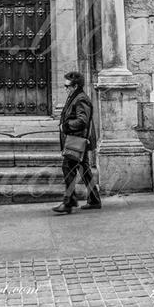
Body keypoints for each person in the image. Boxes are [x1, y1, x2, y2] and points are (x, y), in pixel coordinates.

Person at [52, 71, 102, 214]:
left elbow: (82, 121)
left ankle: (69, 201)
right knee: (85, 170)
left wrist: (65, 126)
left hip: (77, 141)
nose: (65, 88)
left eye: (67, 85)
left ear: (75, 86)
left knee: (68, 168)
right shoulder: (74, 97)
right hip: (77, 140)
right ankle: (94, 199)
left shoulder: (80, 99)